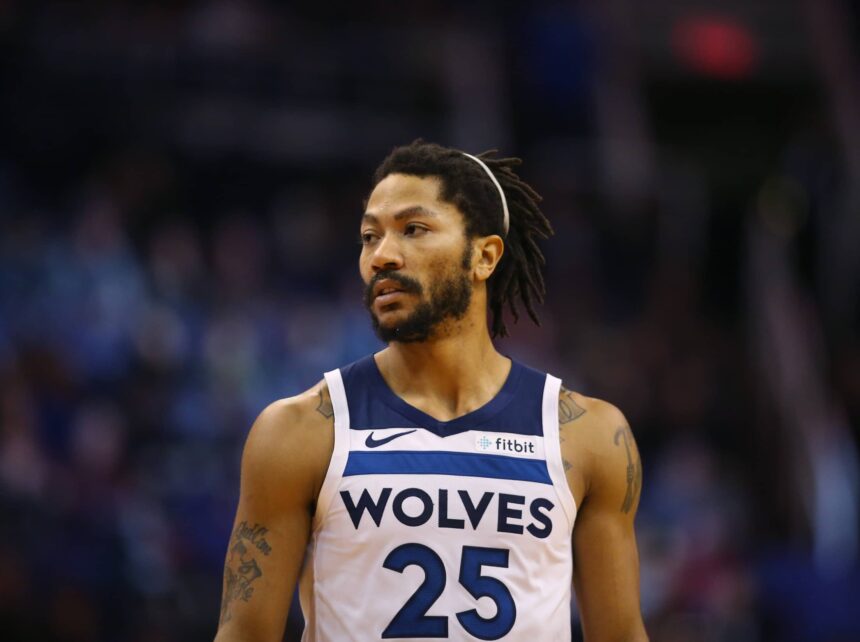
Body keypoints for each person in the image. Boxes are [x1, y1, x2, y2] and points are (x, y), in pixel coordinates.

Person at [213, 141, 648, 642]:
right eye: (369, 236)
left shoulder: (589, 435)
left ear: (484, 256)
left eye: (413, 230)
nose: (382, 256)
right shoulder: (299, 430)